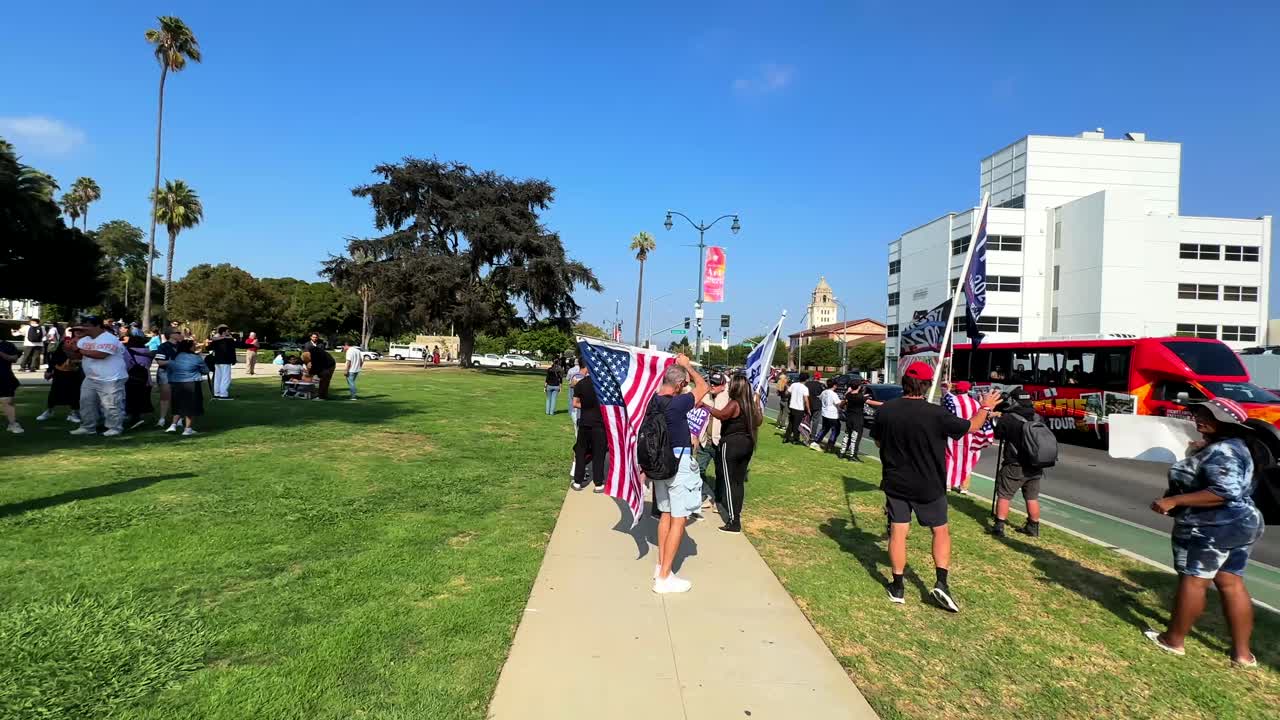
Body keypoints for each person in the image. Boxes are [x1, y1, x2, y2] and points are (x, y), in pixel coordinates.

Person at [1144, 398, 1265, 667]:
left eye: (1208, 415)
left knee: (1194, 580)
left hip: (1213, 526)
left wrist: (1174, 501)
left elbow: (1223, 492)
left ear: (1227, 422)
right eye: (1198, 412)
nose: (1199, 417)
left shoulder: (1224, 451)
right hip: (1242, 523)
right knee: (1231, 582)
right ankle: (1243, 655)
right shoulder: (1236, 447)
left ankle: (1173, 640)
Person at [872, 362, 1001, 611]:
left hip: (896, 482)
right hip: (929, 485)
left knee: (898, 532)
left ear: (903, 382)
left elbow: (878, 442)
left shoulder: (886, 410)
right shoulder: (936, 413)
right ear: (928, 384)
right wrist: (985, 407)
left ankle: (897, 587)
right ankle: (941, 583)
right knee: (940, 531)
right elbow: (972, 426)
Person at [650, 354, 710, 594]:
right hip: (680, 464)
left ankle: (660, 566)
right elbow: (703, 387)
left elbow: (664, 386)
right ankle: (664, 578)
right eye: (683, 384)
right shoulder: (678, 403)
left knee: (665, 514)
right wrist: (688, 367)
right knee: (679, 518)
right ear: (679, 385)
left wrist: (674, 372)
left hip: (660, 464)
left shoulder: (653, 402)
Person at [708, 374, 763, 533]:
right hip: (747, 444)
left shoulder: (735, 403)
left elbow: (721, 415)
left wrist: (705, 407)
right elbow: (758, 421)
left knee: (730, 482)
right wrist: (757, 402)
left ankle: (734, 521)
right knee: (738, 482)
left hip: (731, 445)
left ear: (736, 387)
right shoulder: (750, 405)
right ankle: (735, 515)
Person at [989, 389, 1043, 536]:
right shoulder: (1038, 417)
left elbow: (998, 434)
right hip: (1036, 464)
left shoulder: (1009, 418)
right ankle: (1033, 526)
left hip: (1015, 463)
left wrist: (995, 419)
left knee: (1005, 494)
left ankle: (999, 526)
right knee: (1032, 497)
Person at [70, 316, 129, 437]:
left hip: (111, 377)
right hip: (91, 377)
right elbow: (76, 356)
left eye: (87, 326)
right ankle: (88, 427)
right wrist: (70, 347)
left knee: (111, 404)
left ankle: (114, 428)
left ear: (97, 326)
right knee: (86, 403)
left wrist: (79, 350)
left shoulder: (109, 338)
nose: (83, 328)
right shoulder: (84, 339)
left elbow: (101, 355)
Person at [945, 380, 994, 496]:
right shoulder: (976, 404)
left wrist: (947, 389)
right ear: (968, 390)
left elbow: (945, 410)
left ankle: (948, 484)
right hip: (970, 436)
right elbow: (983, 419)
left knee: (950, 459)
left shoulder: (951, 401)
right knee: (967, 461)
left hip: (954, 436)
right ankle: (964, 487)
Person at [571, 361, 607, 492]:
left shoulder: (581, 384)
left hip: (585, 421)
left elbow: (575, 403)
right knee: (599, 453)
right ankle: (598, 483)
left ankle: (578, 481)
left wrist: (586, 407)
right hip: (600, 423)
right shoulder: (605, 386)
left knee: (581, 451)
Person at [698, 373, 730, 510]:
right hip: (705, 441)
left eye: (716, 384)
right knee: (698, 470)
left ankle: (718, 500)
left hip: (719, 442)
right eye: (711, 382)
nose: (712, 385)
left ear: (723, 386)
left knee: (721, 473)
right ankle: (702, 495)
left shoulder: (729, 399)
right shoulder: (706, 395)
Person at [37, 330, 83, 424]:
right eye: (76, 331)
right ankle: (49, 410)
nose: (78, 332)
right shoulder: (65, 341)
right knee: (55, 391)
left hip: (76, 371)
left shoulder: (86, 342)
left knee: (74, 392)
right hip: (60, 370)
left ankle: (74, 412)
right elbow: (55, 356)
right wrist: (49, 370)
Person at [165, 338, 208, 436]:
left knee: (178, 405)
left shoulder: (174, 357)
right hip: (191, 383)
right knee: (190, 406)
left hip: (176, 383)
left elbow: (169, 369)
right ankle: (187, 429)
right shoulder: (196, 358)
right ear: (190, 347)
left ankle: (173, 425)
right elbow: (205, 370)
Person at [121, 333, 155, 430]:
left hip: (131, 379)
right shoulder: (148, 352)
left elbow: (126, 365)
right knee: (144, 399)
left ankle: (134, 419)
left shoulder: (127, 352)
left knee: (131, 400)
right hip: (146, 379)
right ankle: (144, 418)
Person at [840, 381, 873, 461]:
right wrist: (885, 404)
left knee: (847, 435)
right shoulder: (860, 397)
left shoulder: (848, 395)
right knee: (855, 437)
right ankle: (853, 455)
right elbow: (871, 402)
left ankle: (842, 452)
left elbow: (843, 403)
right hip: (857, 419)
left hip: (849, 418)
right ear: (859, 387)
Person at [811, 378, 842, 452]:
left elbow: (820, 398)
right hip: (832, 414)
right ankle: (830, 445)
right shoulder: (833, 394)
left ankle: (816, 441)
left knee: (825, 428)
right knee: (835, 430)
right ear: (834, 385)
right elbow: (838, 403)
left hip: (825, 413)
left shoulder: (824, 392)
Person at [208, 325, 237, 399]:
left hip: (217, 360)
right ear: (224, 332)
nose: (229, 333)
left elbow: (209, 347)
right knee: (225, 377)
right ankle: (223, 393)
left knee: (218, 377)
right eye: (228, 331)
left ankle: (217, 393)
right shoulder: (228, 340)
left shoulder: (216, 340)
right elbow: (235, 348)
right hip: (225, 360)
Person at [0, 335, 22, 433]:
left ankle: (13, 424)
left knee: (7, 400)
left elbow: (14, 358)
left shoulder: (7, 345)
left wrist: (1, 354)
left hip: (4, 376)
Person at [782, 372, 811, 445]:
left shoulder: (794, 385)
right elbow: (806, 400)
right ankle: (795, 439)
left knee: (791, 423)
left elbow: (786, 393)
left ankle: (786, 437)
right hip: (799, 408)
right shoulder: (805, 388)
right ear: (806, 379)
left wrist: (787, 388)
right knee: (797, 425)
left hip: (792, 406)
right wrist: (808, 409)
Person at [565, 360, 584, 425]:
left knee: (571, 400)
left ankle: (572, 413)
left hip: (572, 386)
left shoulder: (571, 370)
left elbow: (567, 378)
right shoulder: (583, 370)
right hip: (582, 387)